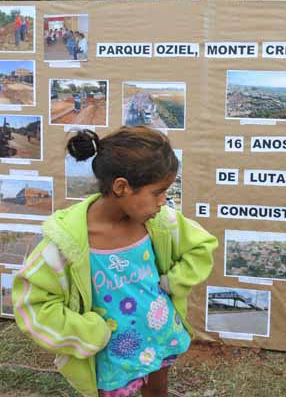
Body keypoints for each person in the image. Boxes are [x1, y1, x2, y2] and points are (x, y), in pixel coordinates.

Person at [12, 126, 218, 397]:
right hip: (111, 355)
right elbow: (32, 303)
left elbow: (202, 246)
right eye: (157, 192)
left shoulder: (161, 222)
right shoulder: (66, 243)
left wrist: (174, 281)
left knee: (158, 391)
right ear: (122, 187)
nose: (163, 201)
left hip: (160, 335)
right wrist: (88, 333)